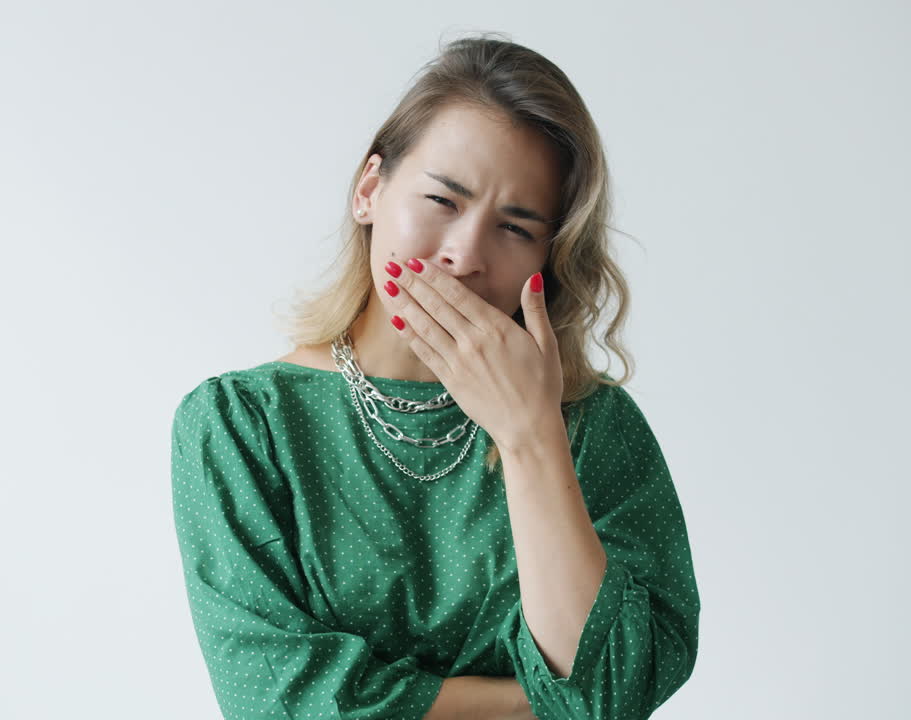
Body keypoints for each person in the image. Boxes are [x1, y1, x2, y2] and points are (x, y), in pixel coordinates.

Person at [170, 33, 701, 720]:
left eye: (515, 228)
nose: (463, 255)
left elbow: (614, 692)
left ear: (550, 255)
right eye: (443, 201)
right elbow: (275, 702)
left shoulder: (593, 429)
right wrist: (537, 708)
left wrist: (530, 435)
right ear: (370, 190)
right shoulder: (241, 424)